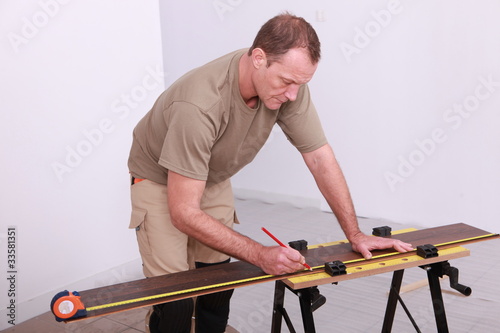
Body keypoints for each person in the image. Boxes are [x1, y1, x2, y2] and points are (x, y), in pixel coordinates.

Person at [127, 12, 413, 333]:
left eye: (300, 84)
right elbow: (183, 213)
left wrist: (355, 233)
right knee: (176, 300)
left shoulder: (289, 84)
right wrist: (260, 254)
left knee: (218, 286)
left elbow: (320, 158)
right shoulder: (198, 105)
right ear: (259, 59)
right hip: (158, 179)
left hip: (211, 176)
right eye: (287, 82)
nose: (293, 94)